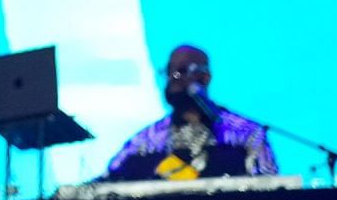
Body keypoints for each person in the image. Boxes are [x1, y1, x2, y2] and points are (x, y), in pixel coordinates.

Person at [101, 44, 278, 181]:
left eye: (181, 72)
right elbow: (108, 183)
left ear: (204, 78)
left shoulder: (247, 134)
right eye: (169, 72)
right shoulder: (144, 141)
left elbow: (270, 187)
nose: (172, 79)